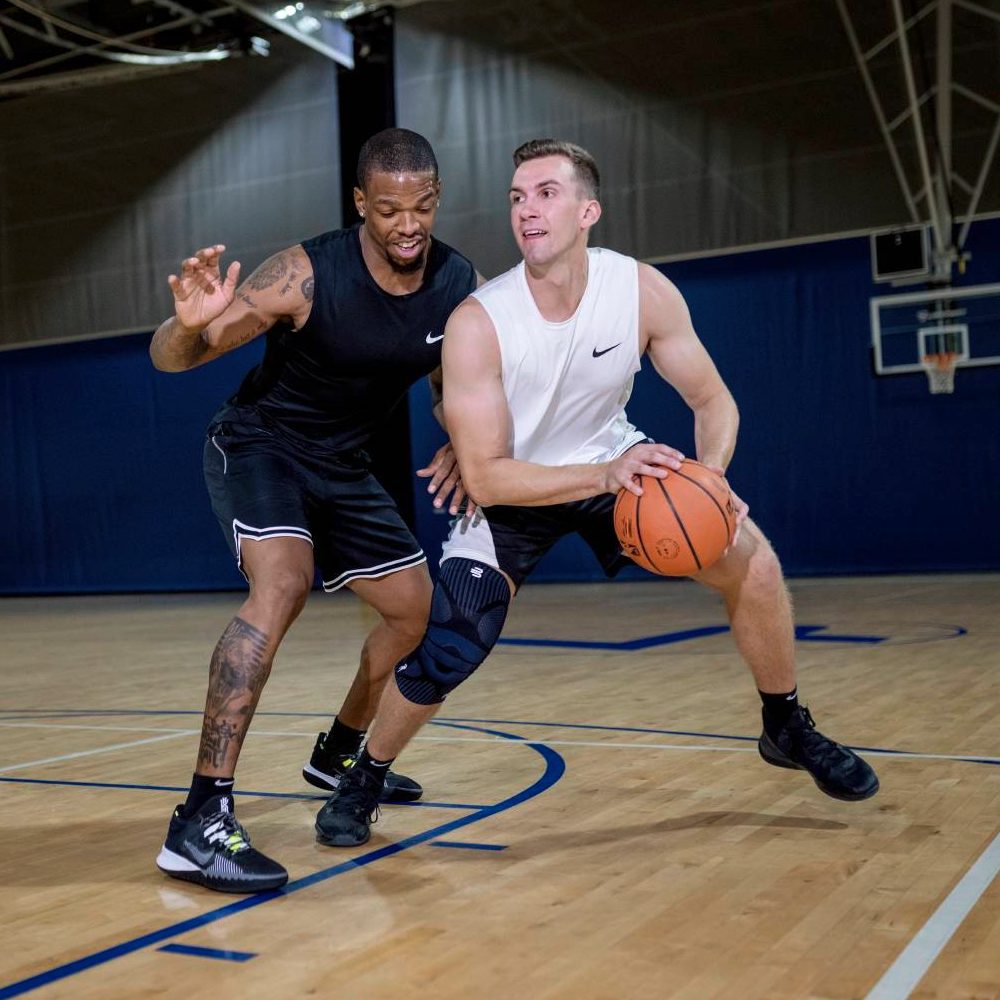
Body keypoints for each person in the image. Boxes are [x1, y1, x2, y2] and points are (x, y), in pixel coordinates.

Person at [314, 138, 879, 848]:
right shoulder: (478, 322)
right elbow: (485, 475)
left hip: (616, 463)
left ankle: (785, 723)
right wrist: (605, 476)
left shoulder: (640, 291)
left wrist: (711, 478)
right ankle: (364, 775)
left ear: (589, 211)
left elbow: (714, 401)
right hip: (517, 488)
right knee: (453, 644)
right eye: (518, 197)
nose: (527, 210)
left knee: (752, 559)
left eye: (546, 193)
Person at [149, 128, 479, 893]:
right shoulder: (304, 273)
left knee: (415, 614)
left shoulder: (457, 281)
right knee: (283, 582)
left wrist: (463, 438)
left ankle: (338, 753)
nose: (407, 225)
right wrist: (189, 322)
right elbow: (172, 359)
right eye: (389, 208)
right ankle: (199, 819)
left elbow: (452, 379)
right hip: (260, 443)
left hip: (343, 467)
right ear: (361, 203)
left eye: (422, 207)